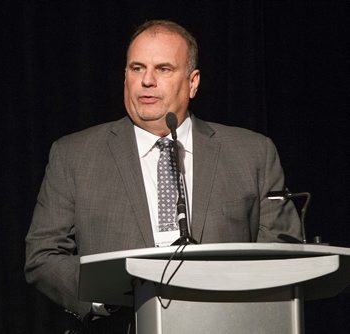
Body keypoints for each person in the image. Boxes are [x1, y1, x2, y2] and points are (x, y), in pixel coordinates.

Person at [25, 20, 302, 332]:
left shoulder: (252, 153)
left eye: (164, 69)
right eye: (137, 68)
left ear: (193, 82)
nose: (147, 81)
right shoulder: (74, 155)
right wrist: (104, 296)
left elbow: (282, 245)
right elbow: (44, 254)